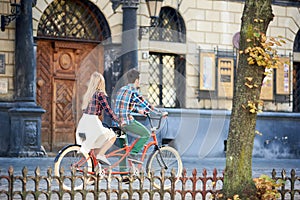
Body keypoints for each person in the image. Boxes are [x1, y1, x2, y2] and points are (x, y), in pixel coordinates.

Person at [113, 68, 154, 172]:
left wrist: (139, 111)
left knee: (123, 149)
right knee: (146, 134)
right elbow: (146, 104)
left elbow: (125, 105)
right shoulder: (133, 91)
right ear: (137, 80)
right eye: (139, 80)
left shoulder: (122, 89)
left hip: (117, 124)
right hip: (126, 122)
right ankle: (134, 153)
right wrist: (159, 112)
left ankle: (123, 175)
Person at [76, 72, 118, 166]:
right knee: (112, 136)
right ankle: (101, 155)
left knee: (94, 147)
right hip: (93, 122)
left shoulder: (88, 95)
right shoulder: (100, 94)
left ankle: (93, 174)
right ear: (100, 83)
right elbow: (108, 109)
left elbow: (85, 110)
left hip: (84, 122)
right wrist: (117, 119)